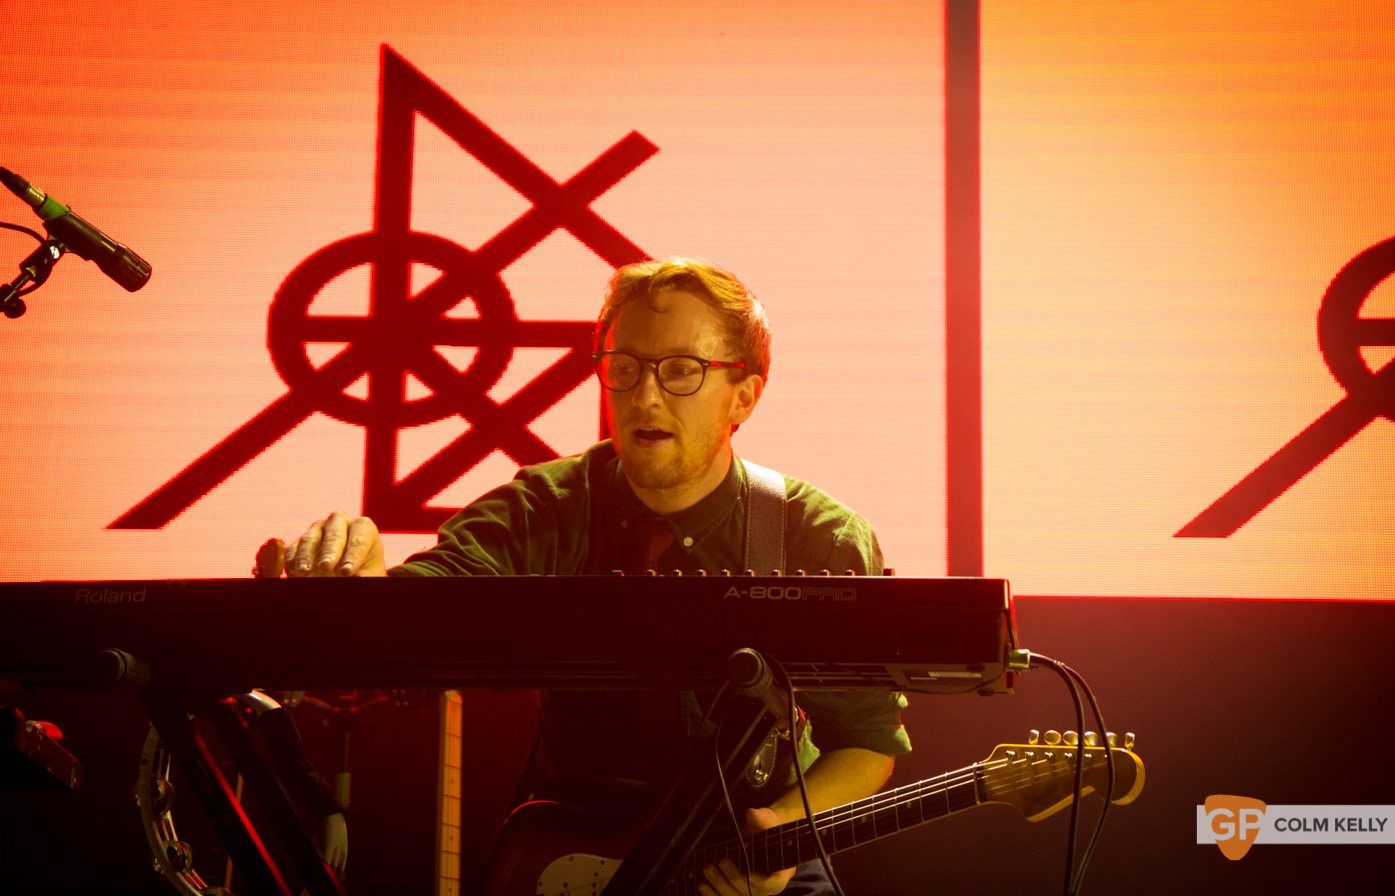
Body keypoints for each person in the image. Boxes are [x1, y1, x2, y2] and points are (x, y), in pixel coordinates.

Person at [262, 258, 910, 895]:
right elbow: (437, 593)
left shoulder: (819, 536)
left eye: (681, 370)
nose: (644, 395)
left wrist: (779, 831)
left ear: (745, 392)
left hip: (754, 853)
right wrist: (369, 588)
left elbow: (867, 742)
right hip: (572, 847)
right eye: (625, 368)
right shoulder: (548, 506)